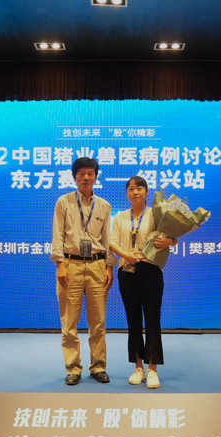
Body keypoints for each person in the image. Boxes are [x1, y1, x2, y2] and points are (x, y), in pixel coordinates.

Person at [51, 157, 117, 386]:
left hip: (98, 266)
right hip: (71, 265)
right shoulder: (63, 202)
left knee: (98, 322)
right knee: (69, 322)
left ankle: (98, 366)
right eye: (81, 174)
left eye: (90, 174)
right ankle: (73, 368)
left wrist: (110, 266)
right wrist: (60, 264)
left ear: (96, 177)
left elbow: (108, 240)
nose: (86, 178)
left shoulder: (104, 205)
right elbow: (58, 235)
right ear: (74, 177)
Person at [110, 176, 176, 388]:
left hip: (151, 271)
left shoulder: (157, 214)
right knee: (133, 320)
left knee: (152, 320)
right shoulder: (120, 217)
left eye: (139, 188)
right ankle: (138, 367)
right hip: (127, 271)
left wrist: (170, 241)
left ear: (147, 192)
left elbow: (173, 237)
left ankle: (153, 369)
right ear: (126, 193)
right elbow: (112, 242)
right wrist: (126, 256)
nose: (135, 192)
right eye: (131, 189)